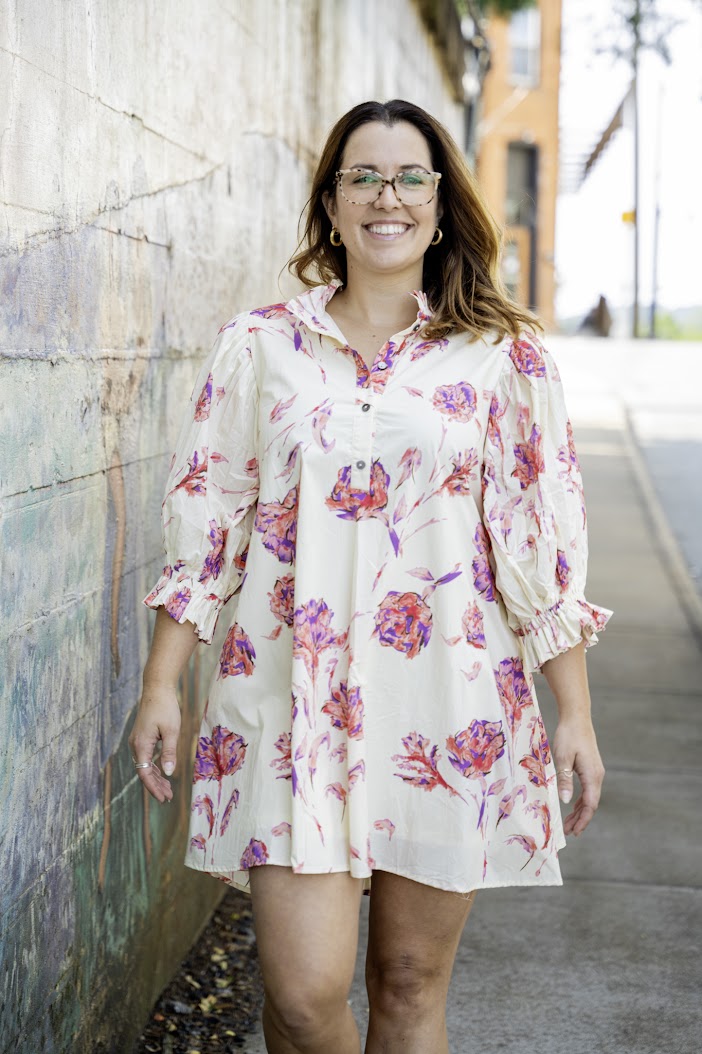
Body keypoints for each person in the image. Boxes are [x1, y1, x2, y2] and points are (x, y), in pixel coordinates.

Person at [130, 99, 612, 1054]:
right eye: (365, 176)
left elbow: (534, 544)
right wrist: (160, 684)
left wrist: (577, 714)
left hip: (449, 701)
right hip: (285, 701)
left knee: (406, 985)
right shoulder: (259, 346)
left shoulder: (504, 355)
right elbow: (210, 521)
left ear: (441, 201)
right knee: (304, 999)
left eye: (410, 177)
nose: (387, 196)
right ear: (333, 201)